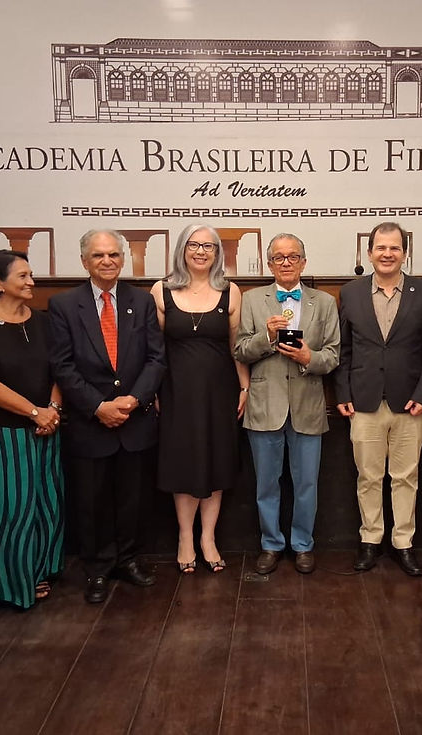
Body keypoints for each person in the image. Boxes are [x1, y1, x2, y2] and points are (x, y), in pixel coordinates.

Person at [49, 229, 166, 604]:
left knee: (133, 499)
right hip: (90, 422)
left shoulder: (141, 301)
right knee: (92, 501)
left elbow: (156, 358)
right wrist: (98, 406)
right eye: (99, 255)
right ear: (84, 261)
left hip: (135, 420)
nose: (108, 261)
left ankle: (127, 561)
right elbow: (62, 366)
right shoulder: (64, 305)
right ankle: (97, 569)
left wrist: (133, 400)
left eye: (114, 255)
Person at [0, 249, 64, 609]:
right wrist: (35, 413)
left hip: (47, 426)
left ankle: (39, 570)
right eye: (23, 276)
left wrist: (52, 409)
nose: (31, 281)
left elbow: (57, 371)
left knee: (45, 502)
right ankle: (8, 584)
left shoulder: (43, 321)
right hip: (0, 434)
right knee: (7, 508)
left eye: (30, 274)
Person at [335, 221, 422, 576]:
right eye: (381, 247)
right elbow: (344, 350)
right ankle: (371, 539)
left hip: (410, 403)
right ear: (369, 252)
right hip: (364, 402)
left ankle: (403, 543)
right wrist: (343, 392)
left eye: (395, 248)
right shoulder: (350, 293)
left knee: (406, 477)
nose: (387, 254)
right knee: (368, 477)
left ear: (405, 253)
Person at [234, 233, 340, 575]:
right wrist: (266, 338)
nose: (286, 263)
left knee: (307, 483)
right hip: (266, 406)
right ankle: (271, 543)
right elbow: (239, 351)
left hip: (308, 405)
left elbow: (334, 355)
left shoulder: (324, 303)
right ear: (269, 264)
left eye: (293, 257)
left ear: (304, 262)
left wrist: (309, 357)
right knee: (266, 483)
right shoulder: (252, 301)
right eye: (279, 258)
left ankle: (303, 544)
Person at [150, 224, 249, 574]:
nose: (201, 251)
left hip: (219, 391)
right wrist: (155, 391)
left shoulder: (230, 291)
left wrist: (244, 387)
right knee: (184, 463)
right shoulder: (161, 290)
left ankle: (208, 537)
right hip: (176, 391)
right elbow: (154, 350)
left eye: (209, 246)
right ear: (182, 249)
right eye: (194, 245)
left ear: (218, 253)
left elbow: (236, 346)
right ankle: (185, 537)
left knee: (216, 460)